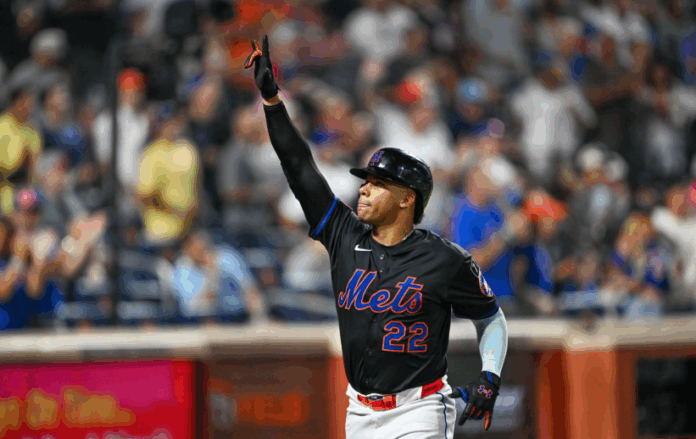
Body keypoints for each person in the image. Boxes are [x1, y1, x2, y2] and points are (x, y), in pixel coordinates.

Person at [245, 36, 508, 438]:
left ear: (406, 199)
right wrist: (272, 101)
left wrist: (489, 378)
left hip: (420, 408)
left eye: (378, 184)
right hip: (360, 412)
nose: (364, 189)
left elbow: (490, 318)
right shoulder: (342, 233)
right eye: (366, 181)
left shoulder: (444, 258)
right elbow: (298, 166)